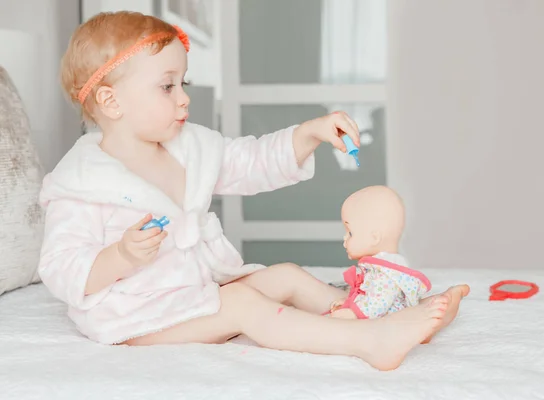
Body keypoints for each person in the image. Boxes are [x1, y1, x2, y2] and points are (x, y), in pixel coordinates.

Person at [38, 11, 462, 371]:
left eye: (184, 83)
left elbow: (252, 162)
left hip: (193, 293)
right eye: (167, 87)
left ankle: (382, 310)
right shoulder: (81, 183)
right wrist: (121, 256)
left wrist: (308, 134)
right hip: (137, 319)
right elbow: (61, 267)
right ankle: (369, 340)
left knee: (286, 276)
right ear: (111, 102)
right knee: (242, 304)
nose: (185, 99)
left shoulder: (191, 148)